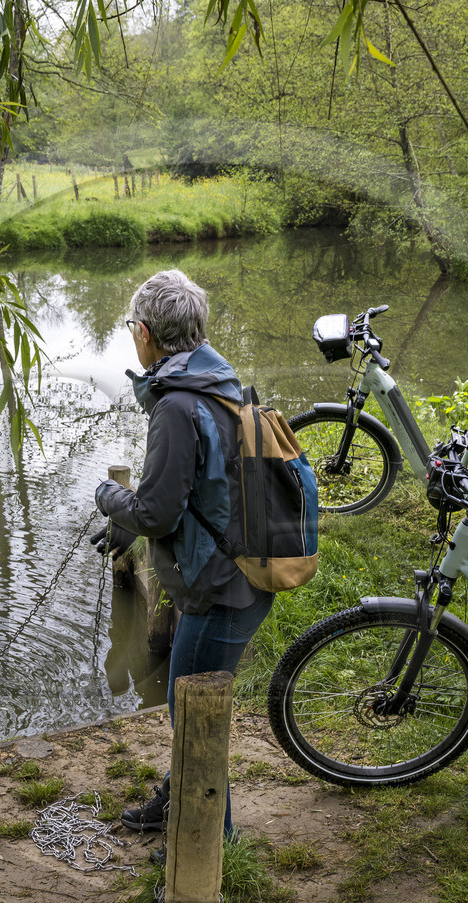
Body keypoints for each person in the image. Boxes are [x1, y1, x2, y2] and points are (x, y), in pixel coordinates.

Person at [92, 269, 274, 849]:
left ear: (144, 333)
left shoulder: (175, 407)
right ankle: (178, 797)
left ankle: (206, 849)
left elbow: (157, 514)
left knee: (194, 717)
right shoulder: (219, 382)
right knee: (190, 705)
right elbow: (200, 496)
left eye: (130, 328)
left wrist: (107, 497)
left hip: (220, 590)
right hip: (242, 570)